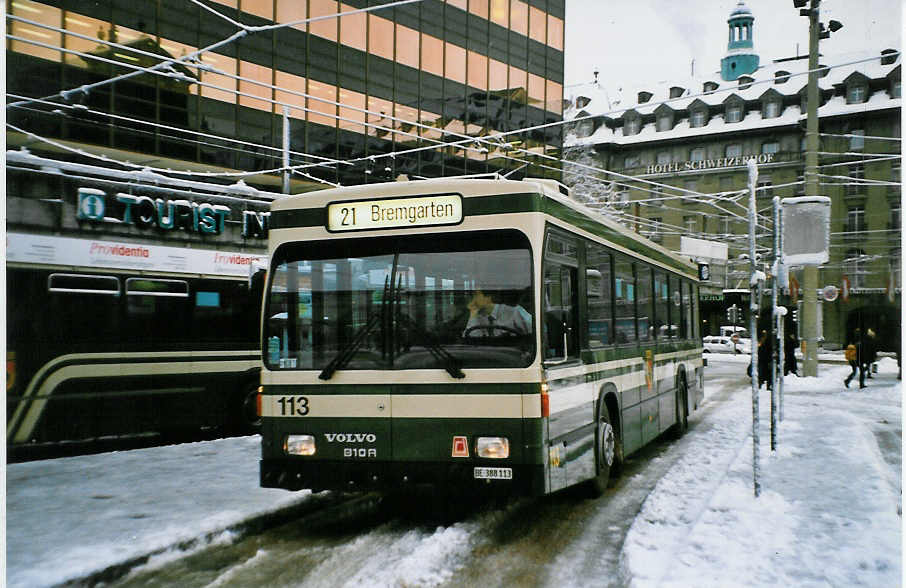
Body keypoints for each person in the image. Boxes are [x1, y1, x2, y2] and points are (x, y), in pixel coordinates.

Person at [462, 288, 532, 338]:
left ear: (488, 297)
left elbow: (536, 330)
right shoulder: (477, 316)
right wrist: (473, 315)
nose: (472, 300)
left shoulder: (514, 311)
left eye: (475, 295)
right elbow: (469, 340)